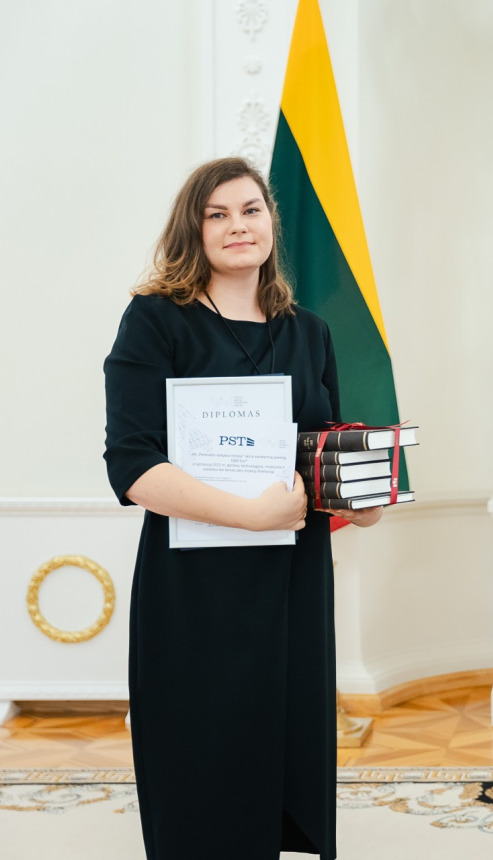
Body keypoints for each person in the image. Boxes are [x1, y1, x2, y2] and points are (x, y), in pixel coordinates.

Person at [103, 157, 382, 860]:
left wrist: (363, 495)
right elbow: (132, 466)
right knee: (201, 766)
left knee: (286, 760)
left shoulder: (309, 331)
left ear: (271, 222)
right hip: (195, 594)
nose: (237, 226)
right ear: (192, 229)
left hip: (292, 587)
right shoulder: (154, 321)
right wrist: (247, 515)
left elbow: (322, 453)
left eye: (251, 210)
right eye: (217, 214)